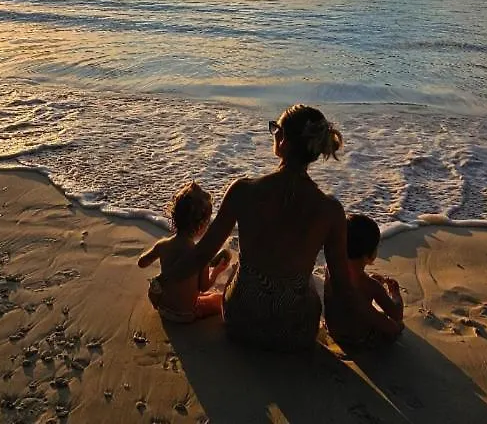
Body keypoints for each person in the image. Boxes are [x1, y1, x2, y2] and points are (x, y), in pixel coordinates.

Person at [158, 104, 363, 352]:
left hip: (241, 323)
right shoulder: (330, 210)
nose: (274, 133)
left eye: (275, 129)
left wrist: (165, 280)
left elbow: (202, 253)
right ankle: (337, 331)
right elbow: (341, 285)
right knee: (321, 278)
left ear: (283, 140)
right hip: (296, 332)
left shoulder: (243, 190)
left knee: (241, 270)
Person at [138, 182, 233, 323]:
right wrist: (217, 270)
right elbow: (203, 286)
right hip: (185, 314)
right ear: (202, 225)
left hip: (162, 307)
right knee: (217, 299)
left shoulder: (163, 245)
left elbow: (142, 263)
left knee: (167, 286)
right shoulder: (199, 253)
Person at [323, 213, 404, 348]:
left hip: (333, 331)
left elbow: (346, 294)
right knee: (398, 326)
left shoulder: (329, 268)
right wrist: (395, 294)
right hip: (358, 339)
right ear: (369, 255)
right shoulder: (370, 286)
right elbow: (396, 314)